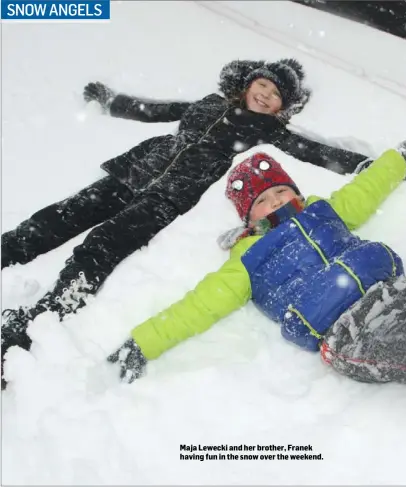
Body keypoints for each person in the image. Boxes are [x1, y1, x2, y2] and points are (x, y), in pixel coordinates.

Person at [107, 145, 406, 433]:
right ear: (248, 217)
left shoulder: (322, 211)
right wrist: (143, 343)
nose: (276, 200)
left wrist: (395, 161)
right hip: (351, 334)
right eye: (263, 200)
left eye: (280, 191)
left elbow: (364, 191)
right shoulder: (246, 259)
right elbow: (196, 308)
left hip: (396, 290)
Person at [1, 58, 380, 388]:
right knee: (60, 216)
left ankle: (43, 316)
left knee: (101, 245)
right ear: (249, 84)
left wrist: (367, 165)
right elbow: (155, 110)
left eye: (275, 94)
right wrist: (111, 101)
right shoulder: (209, 104)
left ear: (282, 107)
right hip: (135, 170)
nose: (265, 95)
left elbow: (313, 151)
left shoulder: (267, 131)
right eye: (262, 85)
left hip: (169, 197)